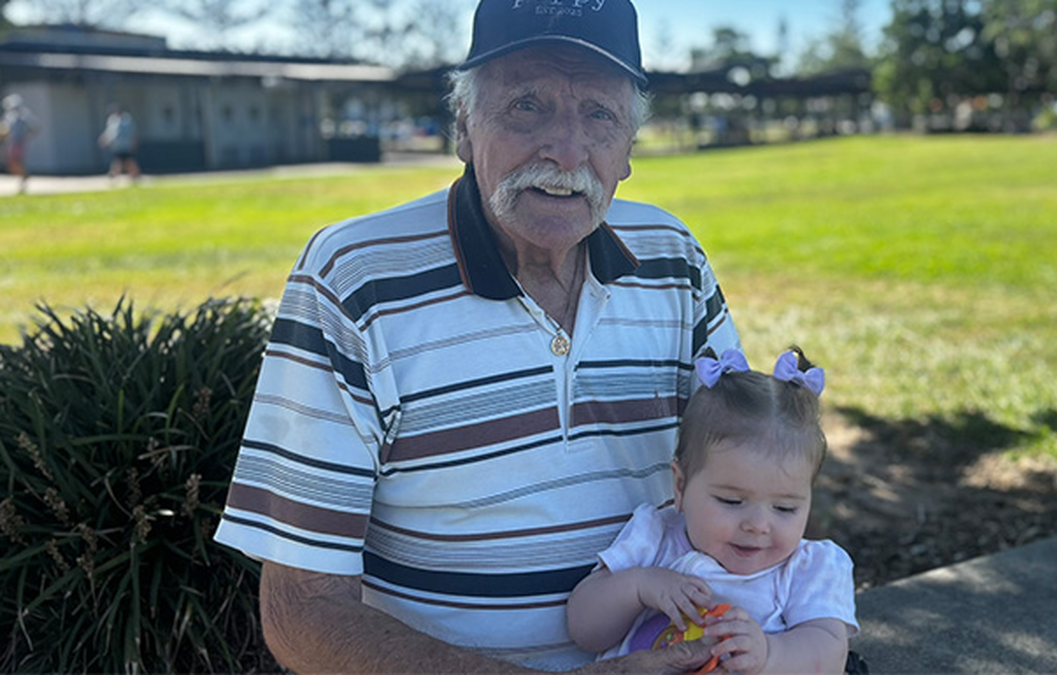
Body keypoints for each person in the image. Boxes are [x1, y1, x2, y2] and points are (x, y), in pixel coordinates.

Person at [213, 0, 740, 672]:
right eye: (527, 105)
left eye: (599, 115)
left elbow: (752, 479)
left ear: (629, 146)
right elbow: (301, 611)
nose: (566, 151)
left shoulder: (673, 259)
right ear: (462, 125)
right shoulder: (354, 278)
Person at [567, 348, 859, 674]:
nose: (758, 525)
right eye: (732, 502)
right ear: (680, 486)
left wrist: (769, 655)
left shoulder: (806, 569)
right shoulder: (655, 537)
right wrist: (638, 587)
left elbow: (829, 656)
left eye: (784, 507)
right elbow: (584, 629)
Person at [1, 94, 38, 194]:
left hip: (18, 142)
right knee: (11, 164)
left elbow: (34, 127)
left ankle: (24, 177)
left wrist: (25, 136)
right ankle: (23, 176)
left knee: (16, 161)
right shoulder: (9, 116)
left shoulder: (24, 115)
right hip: (10, 143)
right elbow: (5, 129)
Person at [98, 104, 140, 183]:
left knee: (126, 160)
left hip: (126, 145)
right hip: (117, 145)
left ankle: (130, 174)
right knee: (121, 160)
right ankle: (116, 174)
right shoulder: (112, 120)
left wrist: (134, 143)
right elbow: (110, 132)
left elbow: (132, 133)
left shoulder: (127, 120)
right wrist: (105, 139)